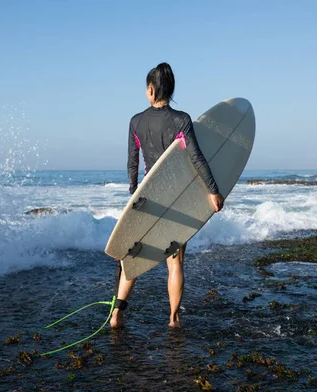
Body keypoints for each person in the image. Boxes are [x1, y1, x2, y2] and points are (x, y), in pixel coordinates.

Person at [110, 62, 225, 328]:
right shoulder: (181, 120)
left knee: (133, 259)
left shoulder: (135, 122)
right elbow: (196, 157)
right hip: (176, 198)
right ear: (170, 90)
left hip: (147, 198)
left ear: (150, 90)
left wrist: (133, 198)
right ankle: (173, 318)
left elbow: (132, 164)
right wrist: (213, 190)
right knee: (175, 261)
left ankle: (117, 315)